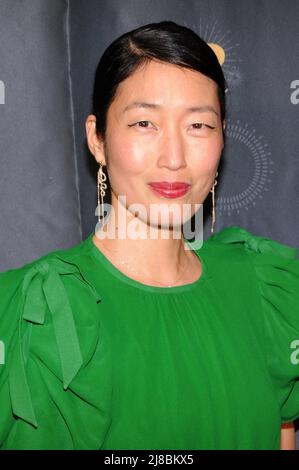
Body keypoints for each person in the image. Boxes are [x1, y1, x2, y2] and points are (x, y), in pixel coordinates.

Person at [0, 20, 298, 450]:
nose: (174, 158)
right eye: (144, 124)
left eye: (199, 126)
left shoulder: (266, 290)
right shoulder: (39, 315)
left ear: (222, 139)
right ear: (97, 139)